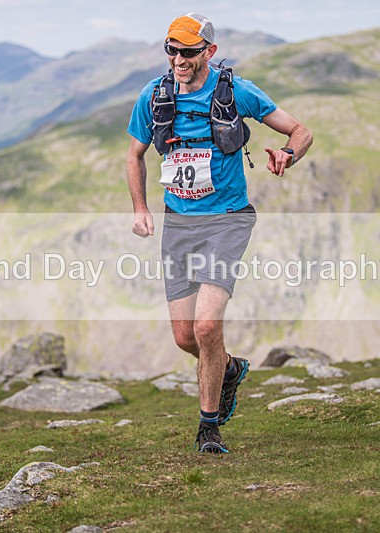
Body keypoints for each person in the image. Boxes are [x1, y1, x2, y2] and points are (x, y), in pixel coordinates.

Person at [126, 12, 312, 453]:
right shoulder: (152, 97)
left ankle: (208, 429)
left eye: (189, 51)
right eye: (172, 50)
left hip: (227, 219)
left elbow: (301, 131)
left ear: (208, 51)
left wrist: (288, 153)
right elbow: (134, 155)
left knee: (207, 326)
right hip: (178, 223)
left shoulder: (237, 91)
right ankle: (227, 369)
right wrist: (140, 209)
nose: (179, 59)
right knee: (185, 336)